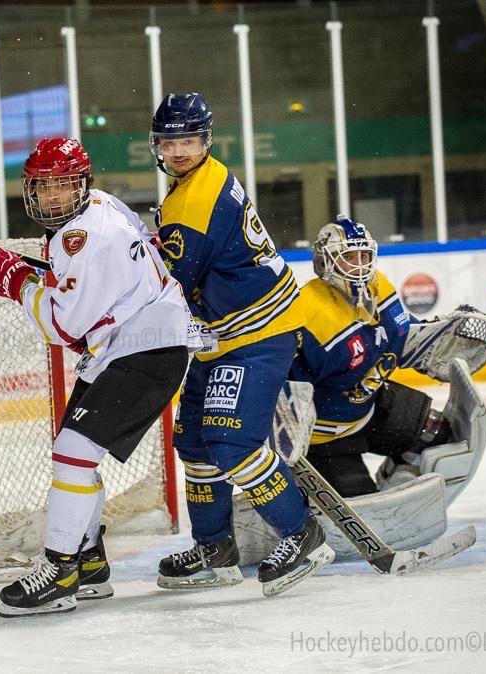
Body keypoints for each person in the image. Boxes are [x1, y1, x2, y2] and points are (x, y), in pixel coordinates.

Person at [0, 137, 198, 618]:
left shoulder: (81, 237)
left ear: (82, 183)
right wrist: (29, 275)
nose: (54, 196)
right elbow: (113, 275)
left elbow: (62, 327)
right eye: (44, 186)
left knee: (73, 455)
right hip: (132, 343)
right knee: (75, 455)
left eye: (63, 185)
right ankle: (90, 564)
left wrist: (14, 282)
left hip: (145, 349)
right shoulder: (103, 206)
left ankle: (60, 570)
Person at [149, 93, 334, 597]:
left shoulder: (193, 200)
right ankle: (216, 549)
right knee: (193, 444)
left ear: (205, 141)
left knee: (232, 444)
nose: (179, 150)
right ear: (157, 145)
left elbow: (168, 285)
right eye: (170, 141)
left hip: (257, 334)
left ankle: (303, 535)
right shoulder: (197, 180)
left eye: (189, 140)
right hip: (221, 334)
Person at [287, 215, 486, 497]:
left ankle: (396, 483)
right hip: (326, 438)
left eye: (364, 255)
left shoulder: (379, 286)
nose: (359, 265)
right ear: (323, 262)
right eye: (348, 257)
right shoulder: (307, 312)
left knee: (442, 437)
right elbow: (277, 382)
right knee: (363, 512)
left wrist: (431, 337)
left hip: (373, 406)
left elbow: (398, 335)